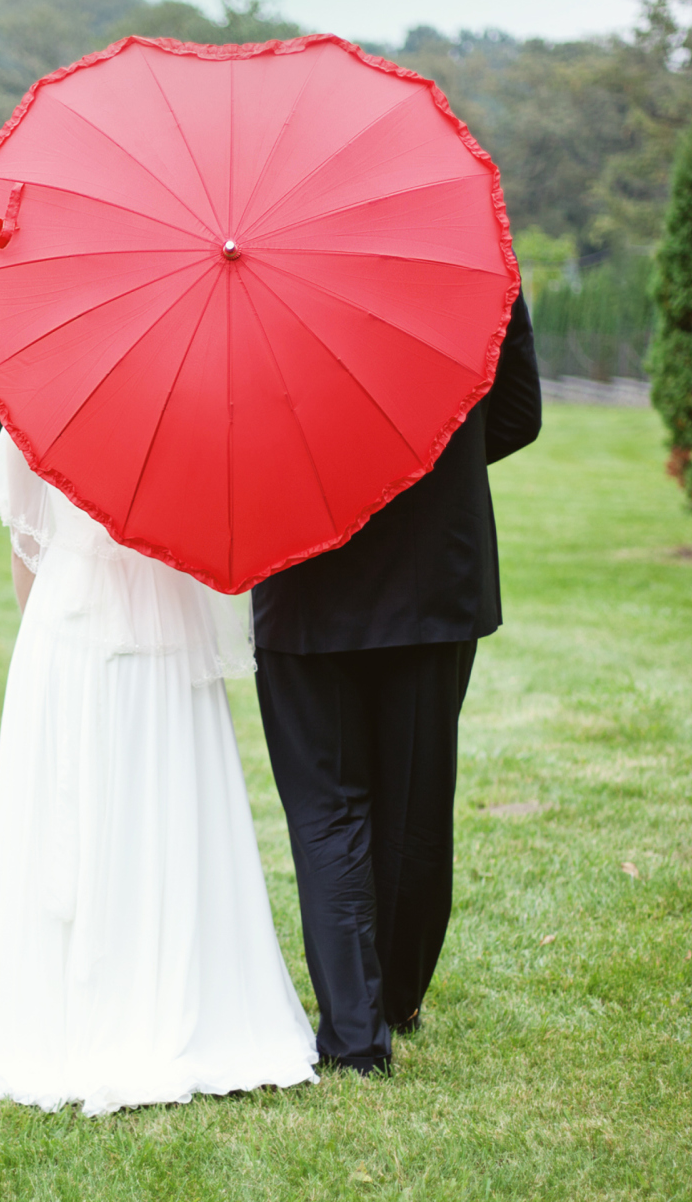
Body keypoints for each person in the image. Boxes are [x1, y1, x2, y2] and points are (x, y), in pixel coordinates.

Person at [0, 429, 318, 1115]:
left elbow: (26, 546)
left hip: (68, 626)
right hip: (167, 631)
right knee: (165, 810)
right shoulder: (198, 412)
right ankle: (170, 992)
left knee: (68, 809)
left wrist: (53, 636)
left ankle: (57, 1014)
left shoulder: (45, 403)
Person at [251, 291, 542, 1077]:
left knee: (326, 806)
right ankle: (398, 996)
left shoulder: (251, 263)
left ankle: (354, 1035)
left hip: (304, 563)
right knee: (415, 798)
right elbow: (517, 414)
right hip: (430, 570)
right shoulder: (470, 258)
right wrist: (420, 473)